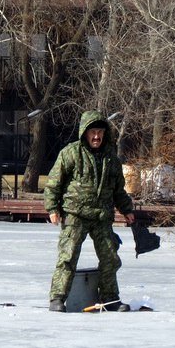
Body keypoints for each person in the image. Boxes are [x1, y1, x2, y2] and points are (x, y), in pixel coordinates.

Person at [44, 110, 136, 312]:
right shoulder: (71, 153)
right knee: (67, 257)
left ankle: (110, 298)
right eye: (92, 132)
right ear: (84, 133)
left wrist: (126, 209)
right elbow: (53, 184)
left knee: (110, 257)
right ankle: (57, 298)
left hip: (101, 216)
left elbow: (118, 189)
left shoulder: (111, 158)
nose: (96, 136)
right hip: (75, 214)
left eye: (100, 132)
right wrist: (52, 208)